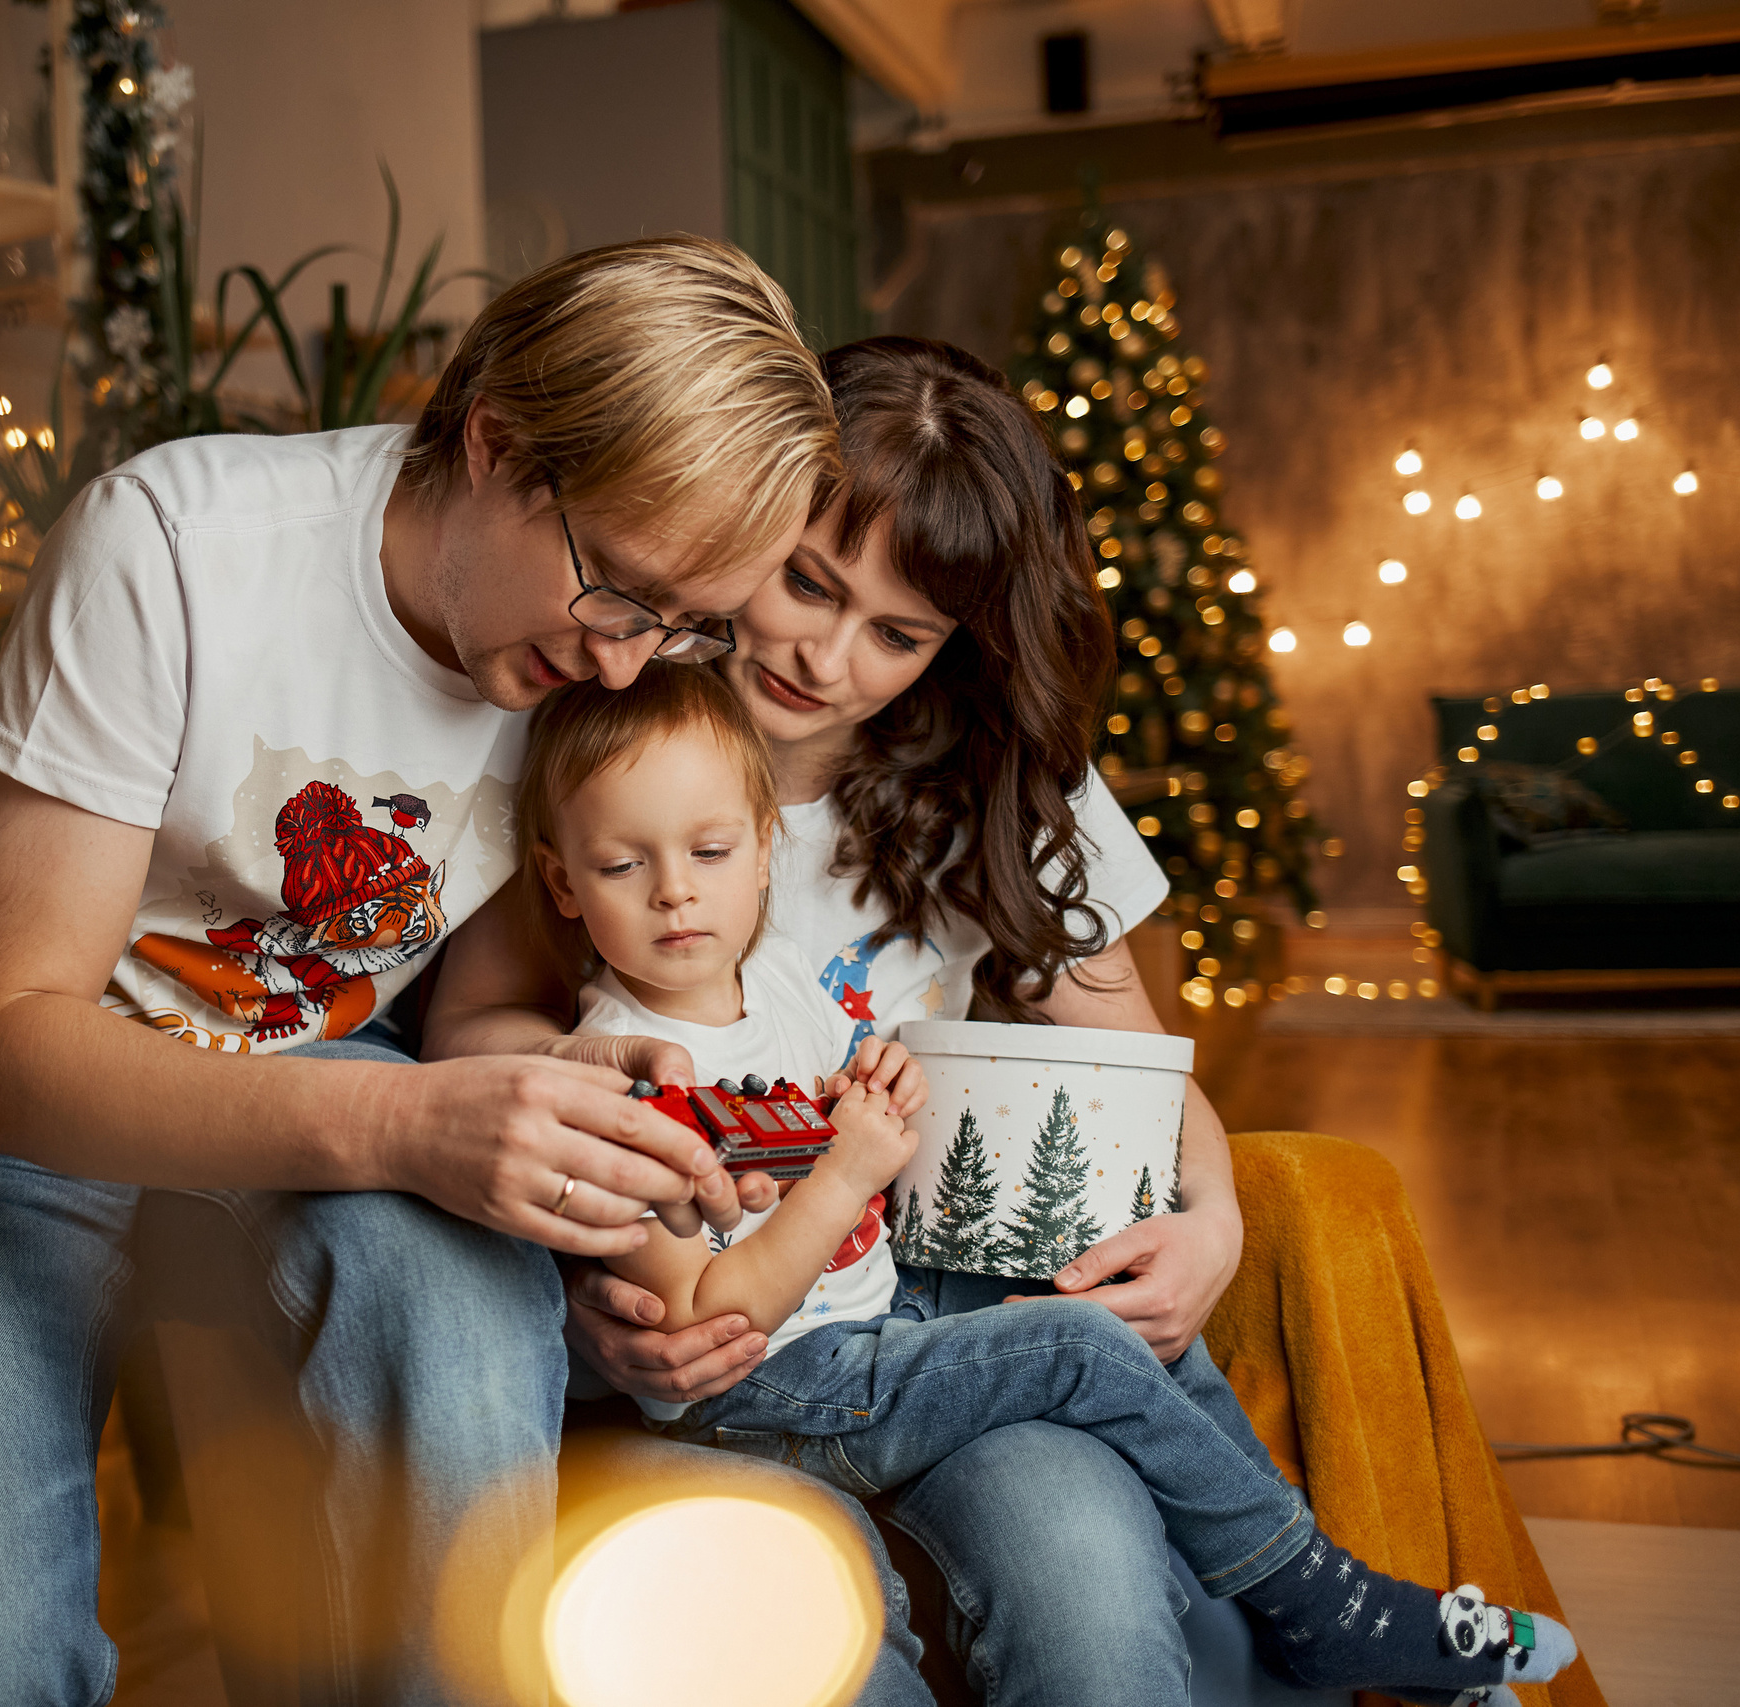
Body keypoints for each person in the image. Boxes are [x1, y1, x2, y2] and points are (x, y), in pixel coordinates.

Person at [0, 237, 941, 1707]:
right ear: (496, 444)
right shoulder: (172, 548)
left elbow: (471, 1000)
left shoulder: (579, 654)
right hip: (12, 1124)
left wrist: (559, 1098)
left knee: (465, 1354)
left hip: (328, 1100)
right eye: (619, 593)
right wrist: (412, 1120)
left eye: (683, 624)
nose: (627, 666)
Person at [427, 335, 1301, 1704]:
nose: (824, 658)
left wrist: (1216, 1212)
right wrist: (612, 1243)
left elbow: (1133, 1069)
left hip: (944, 1340)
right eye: (805, 584)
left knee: (1096, 1610)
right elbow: (464, 1036)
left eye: (895, 633)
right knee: (808, 1649)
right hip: (703, 1356)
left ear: (956, 641)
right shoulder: (598, 730)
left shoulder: (998, 779)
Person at [517, 667, 1576, 1706]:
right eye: (621, 865)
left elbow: (821, 1113)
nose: (674, 891)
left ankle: (1312, 1594)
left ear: (763, 852)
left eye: (708, 851)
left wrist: (867, 1083)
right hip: (766, 1393)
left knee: (1086, 1294)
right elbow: (706, 1325)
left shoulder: (773, 969)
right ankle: (1316, 1603)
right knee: (1076, 1346)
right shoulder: (619, 1073)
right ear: (563, 880)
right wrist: (847, 1177)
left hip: (871, 1320)